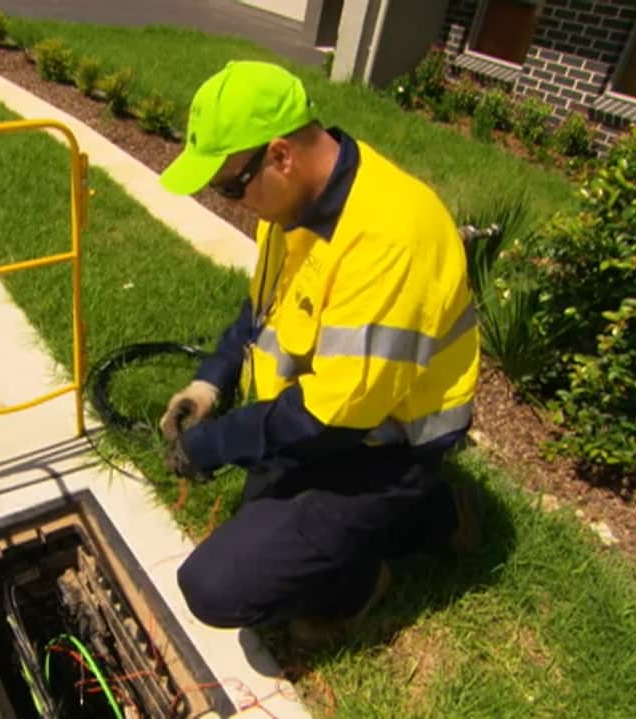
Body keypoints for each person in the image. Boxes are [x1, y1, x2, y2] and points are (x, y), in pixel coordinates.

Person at [157, 60, 481, 647]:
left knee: (215, 587)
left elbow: (328, 418)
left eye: (231, 186)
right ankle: (433, 518)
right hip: (333, 428)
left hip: (384, 448)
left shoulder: (387, 237)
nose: (231, 201)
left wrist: (215, 444)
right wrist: (210, 383)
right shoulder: (295, 205)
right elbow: (262, 314)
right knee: (260, 508)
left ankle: (360, 583)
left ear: (280, 155)